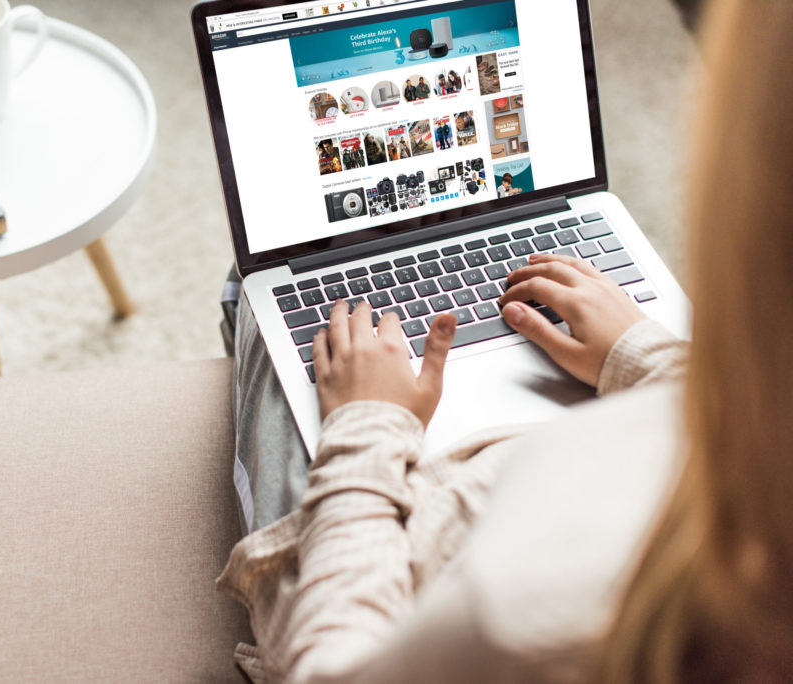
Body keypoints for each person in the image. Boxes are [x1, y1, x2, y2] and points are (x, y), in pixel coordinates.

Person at [217, 0, 793, 681]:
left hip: (396, 546)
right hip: (569, 445)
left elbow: (336, 665)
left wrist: (367, 429)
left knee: (263, 292)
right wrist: (648, 359)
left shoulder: (521, 622)